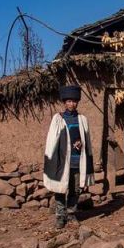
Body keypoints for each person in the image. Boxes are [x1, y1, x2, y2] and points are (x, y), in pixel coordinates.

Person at [43, 85, 95, 229]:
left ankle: (71, 214)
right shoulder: (58, 118)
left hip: (78, 161)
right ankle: (60, 217)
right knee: (60, 189)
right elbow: (52, 140)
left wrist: (79, 144)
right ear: (65, 103)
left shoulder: (82, 119)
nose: (72, 104)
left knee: (75, 190)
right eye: (69, 101)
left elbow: (87, 141)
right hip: (62, 161)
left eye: (74, 101)